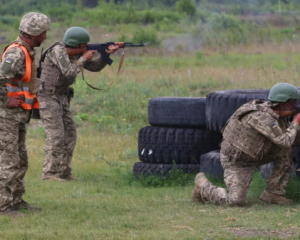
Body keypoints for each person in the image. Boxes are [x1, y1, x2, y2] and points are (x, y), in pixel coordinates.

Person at [192, 83, 300, 206]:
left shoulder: (276, 115)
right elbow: (285, 141)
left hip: (256, 154)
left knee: (285, 151)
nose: (294, 107)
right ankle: (203, 187)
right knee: (235, 201)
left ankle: (273, 193)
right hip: (237, 161)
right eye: (292, 103)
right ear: (282, 103)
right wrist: (296, 122)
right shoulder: (262, 117)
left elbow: (292, 139)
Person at [37, 27, 119, 182]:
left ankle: (64, 172)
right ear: (76, 45)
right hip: (48, 95)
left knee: (70, 133)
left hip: (62, 95)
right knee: (56, 134)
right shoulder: (57, 51)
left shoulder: (76, 52)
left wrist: (105, 55)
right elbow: (69, 71)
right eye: (83, 46)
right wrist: (83, 58)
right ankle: (49, 173)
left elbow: (94, 67)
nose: (85, 48)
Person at [0, 12, 51, 217]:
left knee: (21, 160)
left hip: (18, 117)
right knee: (9, 161)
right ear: (34, 33)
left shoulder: (27, 51)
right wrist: (5, 100)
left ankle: (16, 200)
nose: (45, 37)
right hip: (6, 116)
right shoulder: (17, 53)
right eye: (44, 33)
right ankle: (3, 207)